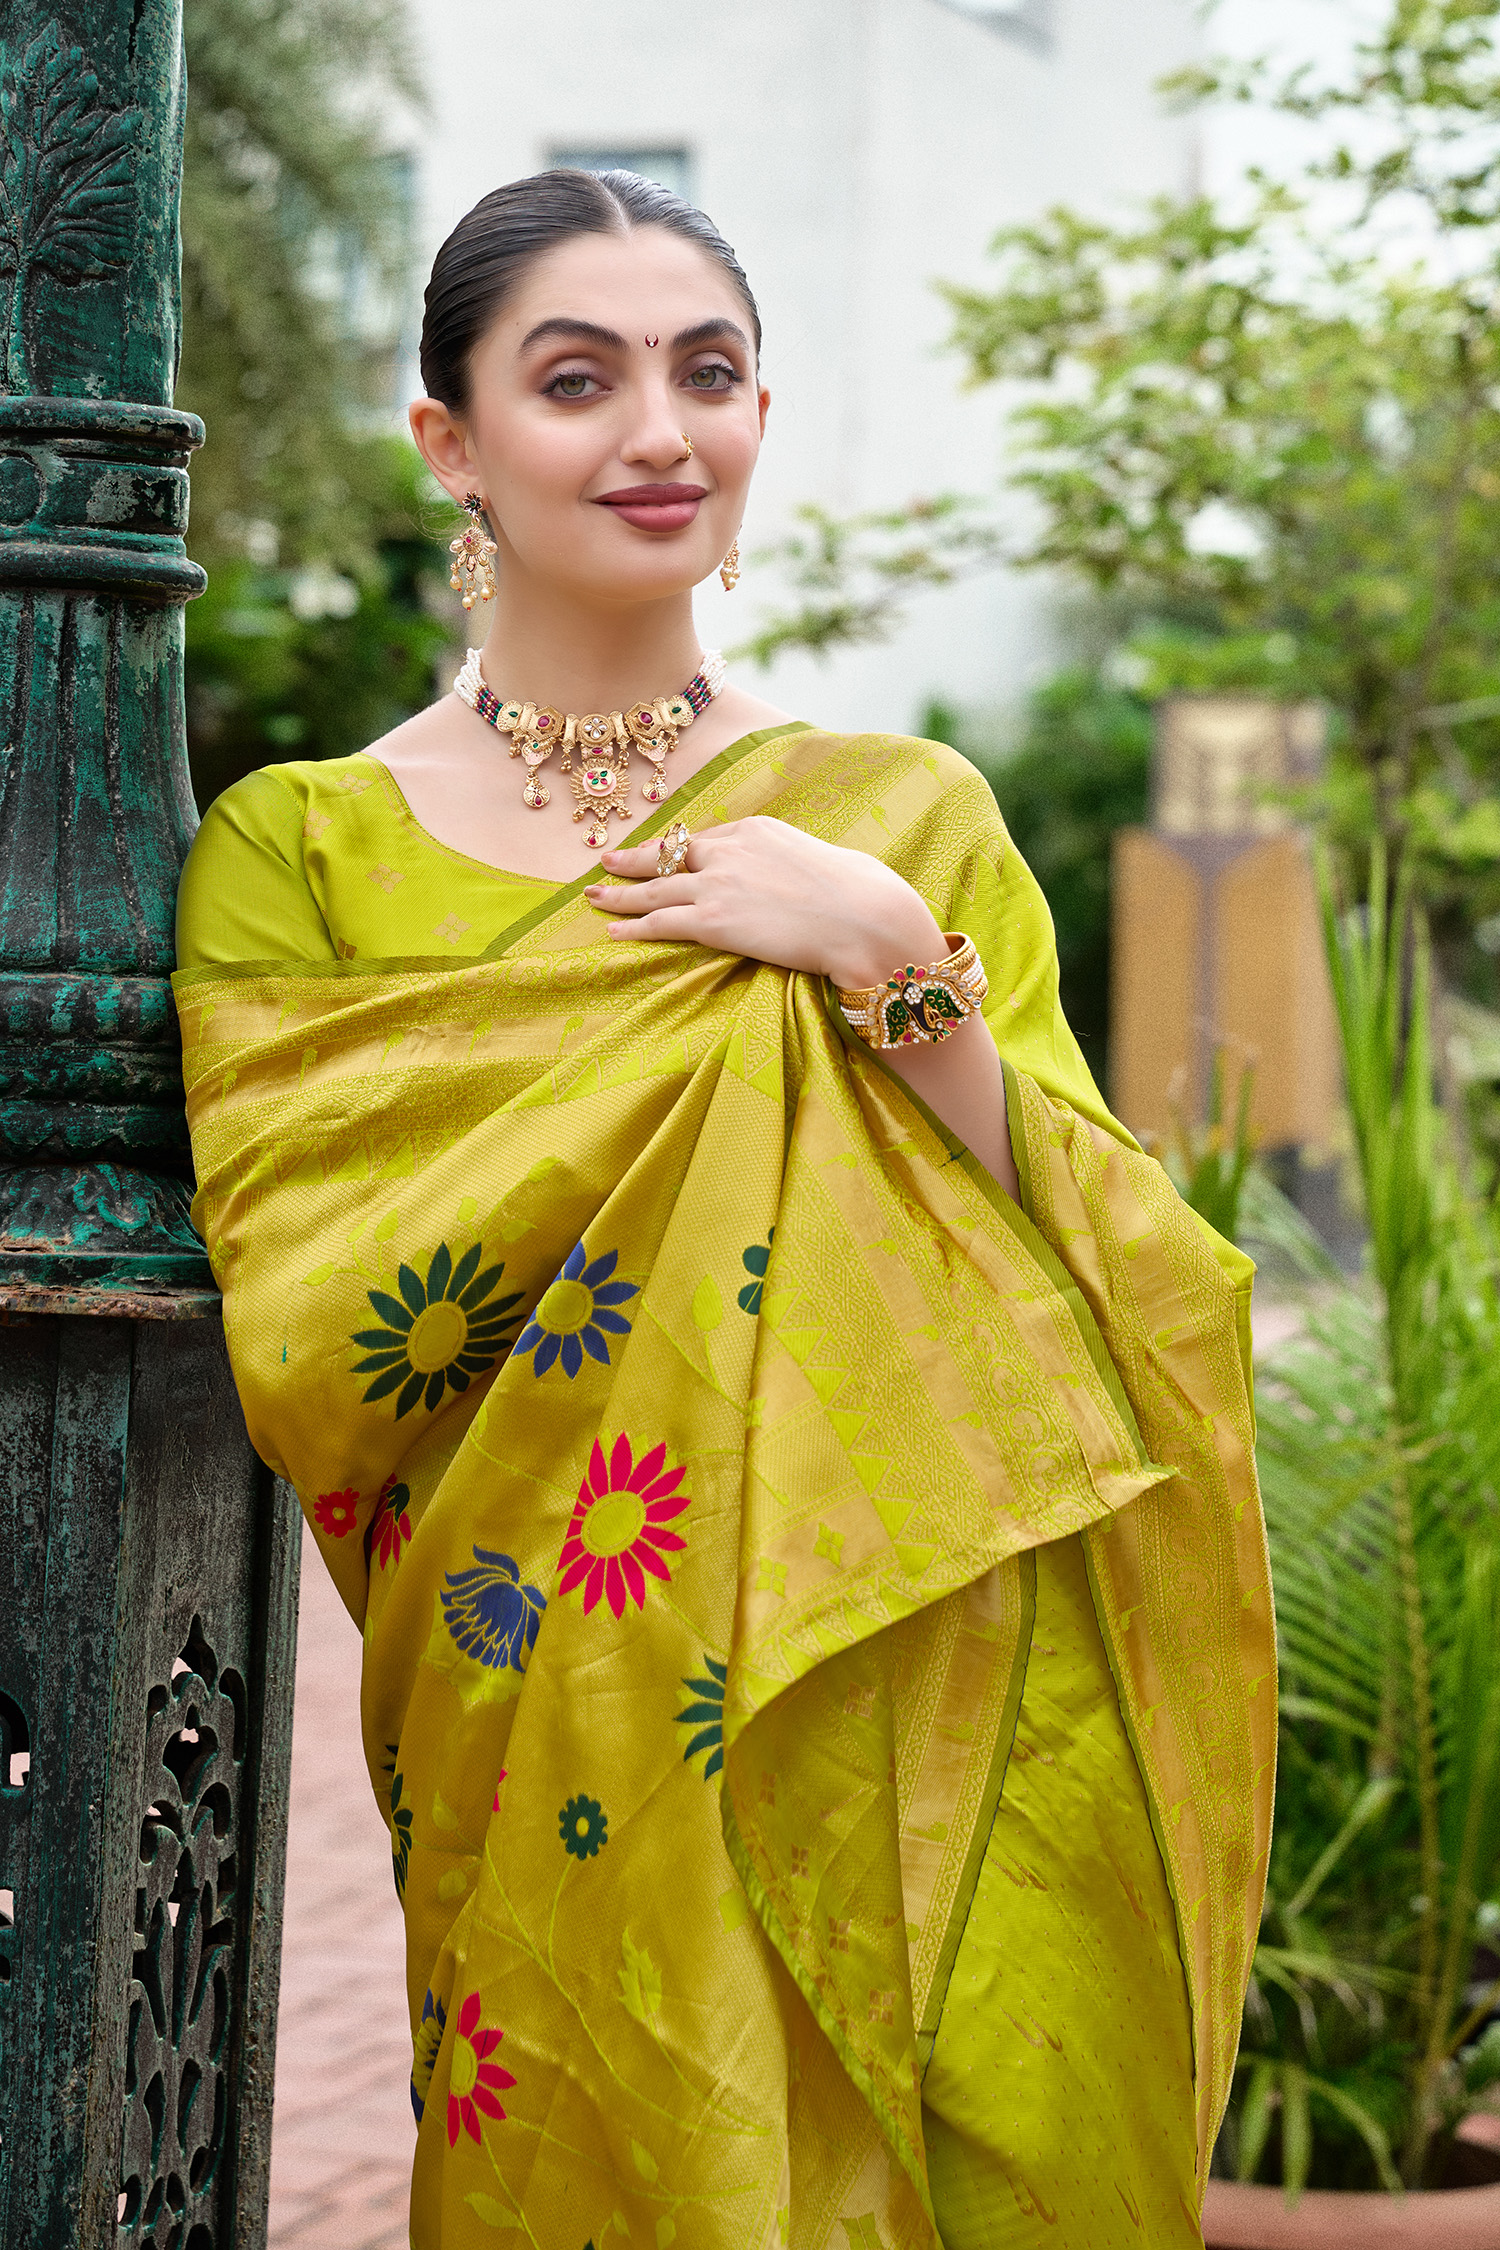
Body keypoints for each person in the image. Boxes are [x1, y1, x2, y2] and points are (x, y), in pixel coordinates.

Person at [174, 170, 1273, 2250]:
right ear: (451, 441)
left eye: (708, 372)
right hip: (534, 1693)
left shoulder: (902, 821)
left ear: (765, 412)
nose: (659, 430)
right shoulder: (296, 851)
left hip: (903, 1673)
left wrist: (887, 957)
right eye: (577, 379)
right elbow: (315, 1333)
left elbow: (1108, 1264)